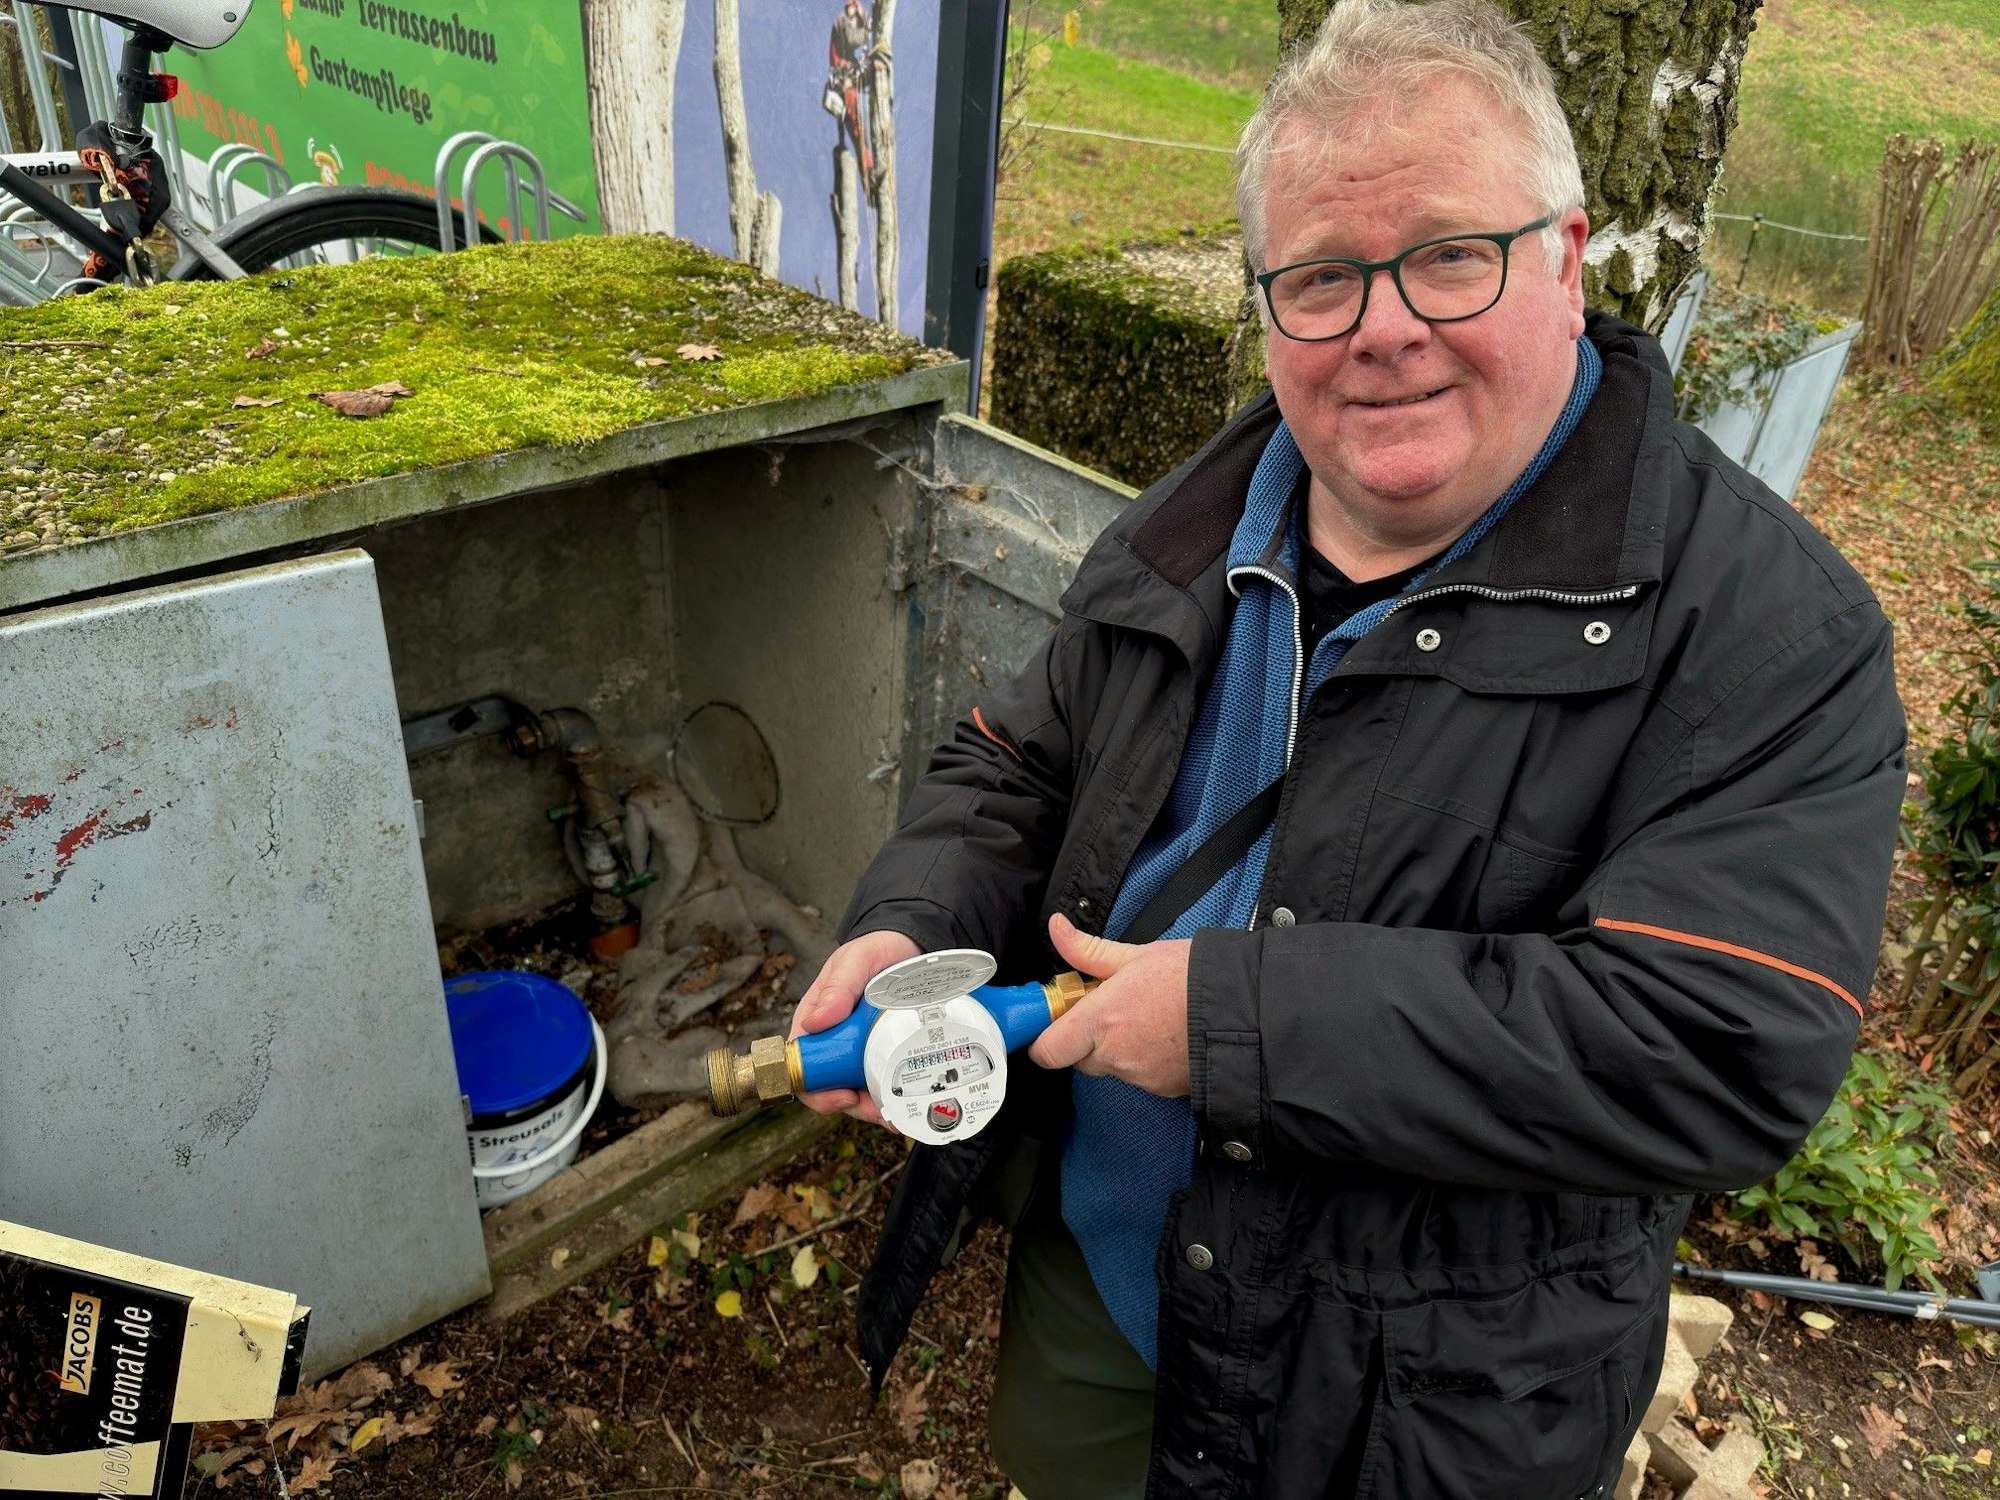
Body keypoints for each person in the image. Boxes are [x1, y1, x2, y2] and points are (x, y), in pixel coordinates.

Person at [792, 1, 1906, 1495]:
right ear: (1269, 304)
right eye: (1321, 276)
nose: (1383, 329)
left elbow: (1715, 1047)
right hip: (1109, 1268)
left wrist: (1237, 1028)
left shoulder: (1768, 632)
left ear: (1567, 260)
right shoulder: (1199, 513)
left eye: (1449, 255)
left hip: (1407, 1402)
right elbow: (1019, 761)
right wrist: (910, 925)